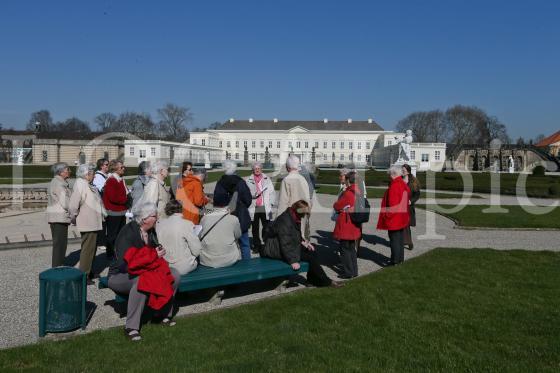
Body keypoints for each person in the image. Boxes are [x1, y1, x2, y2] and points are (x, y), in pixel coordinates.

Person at [107, 202, 180, 341]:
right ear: (144, 218)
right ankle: (131, 327)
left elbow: (151, 253)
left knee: (174, 274)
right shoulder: (128, 234)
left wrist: (158, 251)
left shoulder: (150, 231)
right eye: (154, 215)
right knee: (142, 281)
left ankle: (162, 314)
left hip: (144, 270)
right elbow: (127, 264)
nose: (157, 218)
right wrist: (153, 255)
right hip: (120, 275)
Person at [261, 200, 342, 288]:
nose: (304, 215)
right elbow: (285, 243)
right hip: (276, 249)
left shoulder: (294, 216)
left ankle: (312, 280)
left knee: (312, 251)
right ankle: (326, 281)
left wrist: (304, 242)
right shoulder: (285, 221)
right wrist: (292, 261)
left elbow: (295, 234)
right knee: (310, 258)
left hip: (287, 246)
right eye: (304, 213)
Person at [69, 164, 104, 284]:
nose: (94, 176)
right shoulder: (80, 184)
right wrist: (73, 218)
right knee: (87, 249)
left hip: (93, 222)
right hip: (88, 221)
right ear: (86, 174)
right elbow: (73, 205)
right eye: (92, 173)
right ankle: (84, 275)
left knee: (91, 248)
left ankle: (89, 270)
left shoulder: (86, 184)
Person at [214, 160, 252, 260]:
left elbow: (217, 201)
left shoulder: (220, 182)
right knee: (244, 243)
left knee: (228, 244)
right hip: (240, 213)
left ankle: (230, 263)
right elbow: (248, 199)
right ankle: (247, 266)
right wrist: (242, 206)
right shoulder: (241, 182)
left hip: (226, 214)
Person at [156, 200, 202, 275]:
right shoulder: (187, 224)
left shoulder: (159, 224)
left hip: (165, 265)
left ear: (167, 210)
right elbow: (196, 250)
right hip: (183, 267)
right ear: (181, 209)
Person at [377, 165, 410, 265]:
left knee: (394, 241)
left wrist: (387, 216)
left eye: (390, 174)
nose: (389, 176)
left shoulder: (395, 186)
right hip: (401, 217)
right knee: (399, 240)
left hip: (394, 218)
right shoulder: (402, 184)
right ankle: (400, 259)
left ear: (394, 174)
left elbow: (393, 205)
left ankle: (395, 261)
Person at [199, 191, 241, 268]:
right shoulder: (234, 219)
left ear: (214, 203)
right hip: (229, 259)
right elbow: (238, 235)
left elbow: (199, 236)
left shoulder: (205, 218)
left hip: (207, 260)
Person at [332, 171, 362, 279]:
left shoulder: (349, 193)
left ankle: (348, 272)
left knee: (344, 249)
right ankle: (354, 270)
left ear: (348, 180)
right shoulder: (358, 190)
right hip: (354, 223)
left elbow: (337, 206)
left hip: (347, 223)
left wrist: (336, 204)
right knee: (351, 248)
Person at [277, 155, 311, 242]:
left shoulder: (287, 180)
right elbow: (308, 199)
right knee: (302, 237)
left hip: (291, 215)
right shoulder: (303, 179)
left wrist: (278, 220)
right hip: (303, 212)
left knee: (291, 240)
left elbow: (283, 202)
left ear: (287, 167)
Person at [245, 162, 276, 253]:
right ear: (253, 170)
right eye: (255, 168)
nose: (257, 170)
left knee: (267, 226)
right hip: (254, 207)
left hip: (266, 207)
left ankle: (266, 243)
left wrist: (271, 203)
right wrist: (253, 195)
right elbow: (246, 194)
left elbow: (272, 192)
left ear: (261, 169)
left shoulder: (267, 179)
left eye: (259, 168)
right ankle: (257, 245)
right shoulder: (248, 180)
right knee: (255, 228)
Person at [46, 162, 72, 267]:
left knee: (60, 243)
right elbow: (65, 203)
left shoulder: (59, 182)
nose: (69, 171)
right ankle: (56, 267)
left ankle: (58, 265)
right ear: (61, 172)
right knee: (59, 244)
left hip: (58, 216)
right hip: (59, 217)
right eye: (67, 169)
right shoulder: (59, 183)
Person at [102, 160, 129, 260]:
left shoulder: (120, 179)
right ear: (115, 169)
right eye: (121, 167)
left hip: (121, 211)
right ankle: (110, 254)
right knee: (112, 235)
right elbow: (113, 197)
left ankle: (118, 252)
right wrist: (126, 199)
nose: (123, 168)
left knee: (120, 234)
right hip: (113, 212)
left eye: (123, 167)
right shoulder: (111, 180)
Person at [402, 164, 421, 250]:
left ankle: (409, 242)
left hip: (409, 206)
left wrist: (411, 201)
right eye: (402, 170)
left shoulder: (413, 181)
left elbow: (417, 194)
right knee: (401, 224)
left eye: (404, 170)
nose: (403, 171)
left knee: (406, 225)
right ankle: (404, 241)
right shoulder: (400, 180)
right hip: (400, 206)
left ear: (408, 171)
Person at [92, 158, 109, 251]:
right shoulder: (98, 176)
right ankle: (100, 242)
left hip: (105, 202)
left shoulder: (105, 175)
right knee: (102, 222)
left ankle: (103, 241)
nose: (108, 166)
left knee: (105, 222)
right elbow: (101, 189)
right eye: (106, 164)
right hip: (101, 202)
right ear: (101, 166)